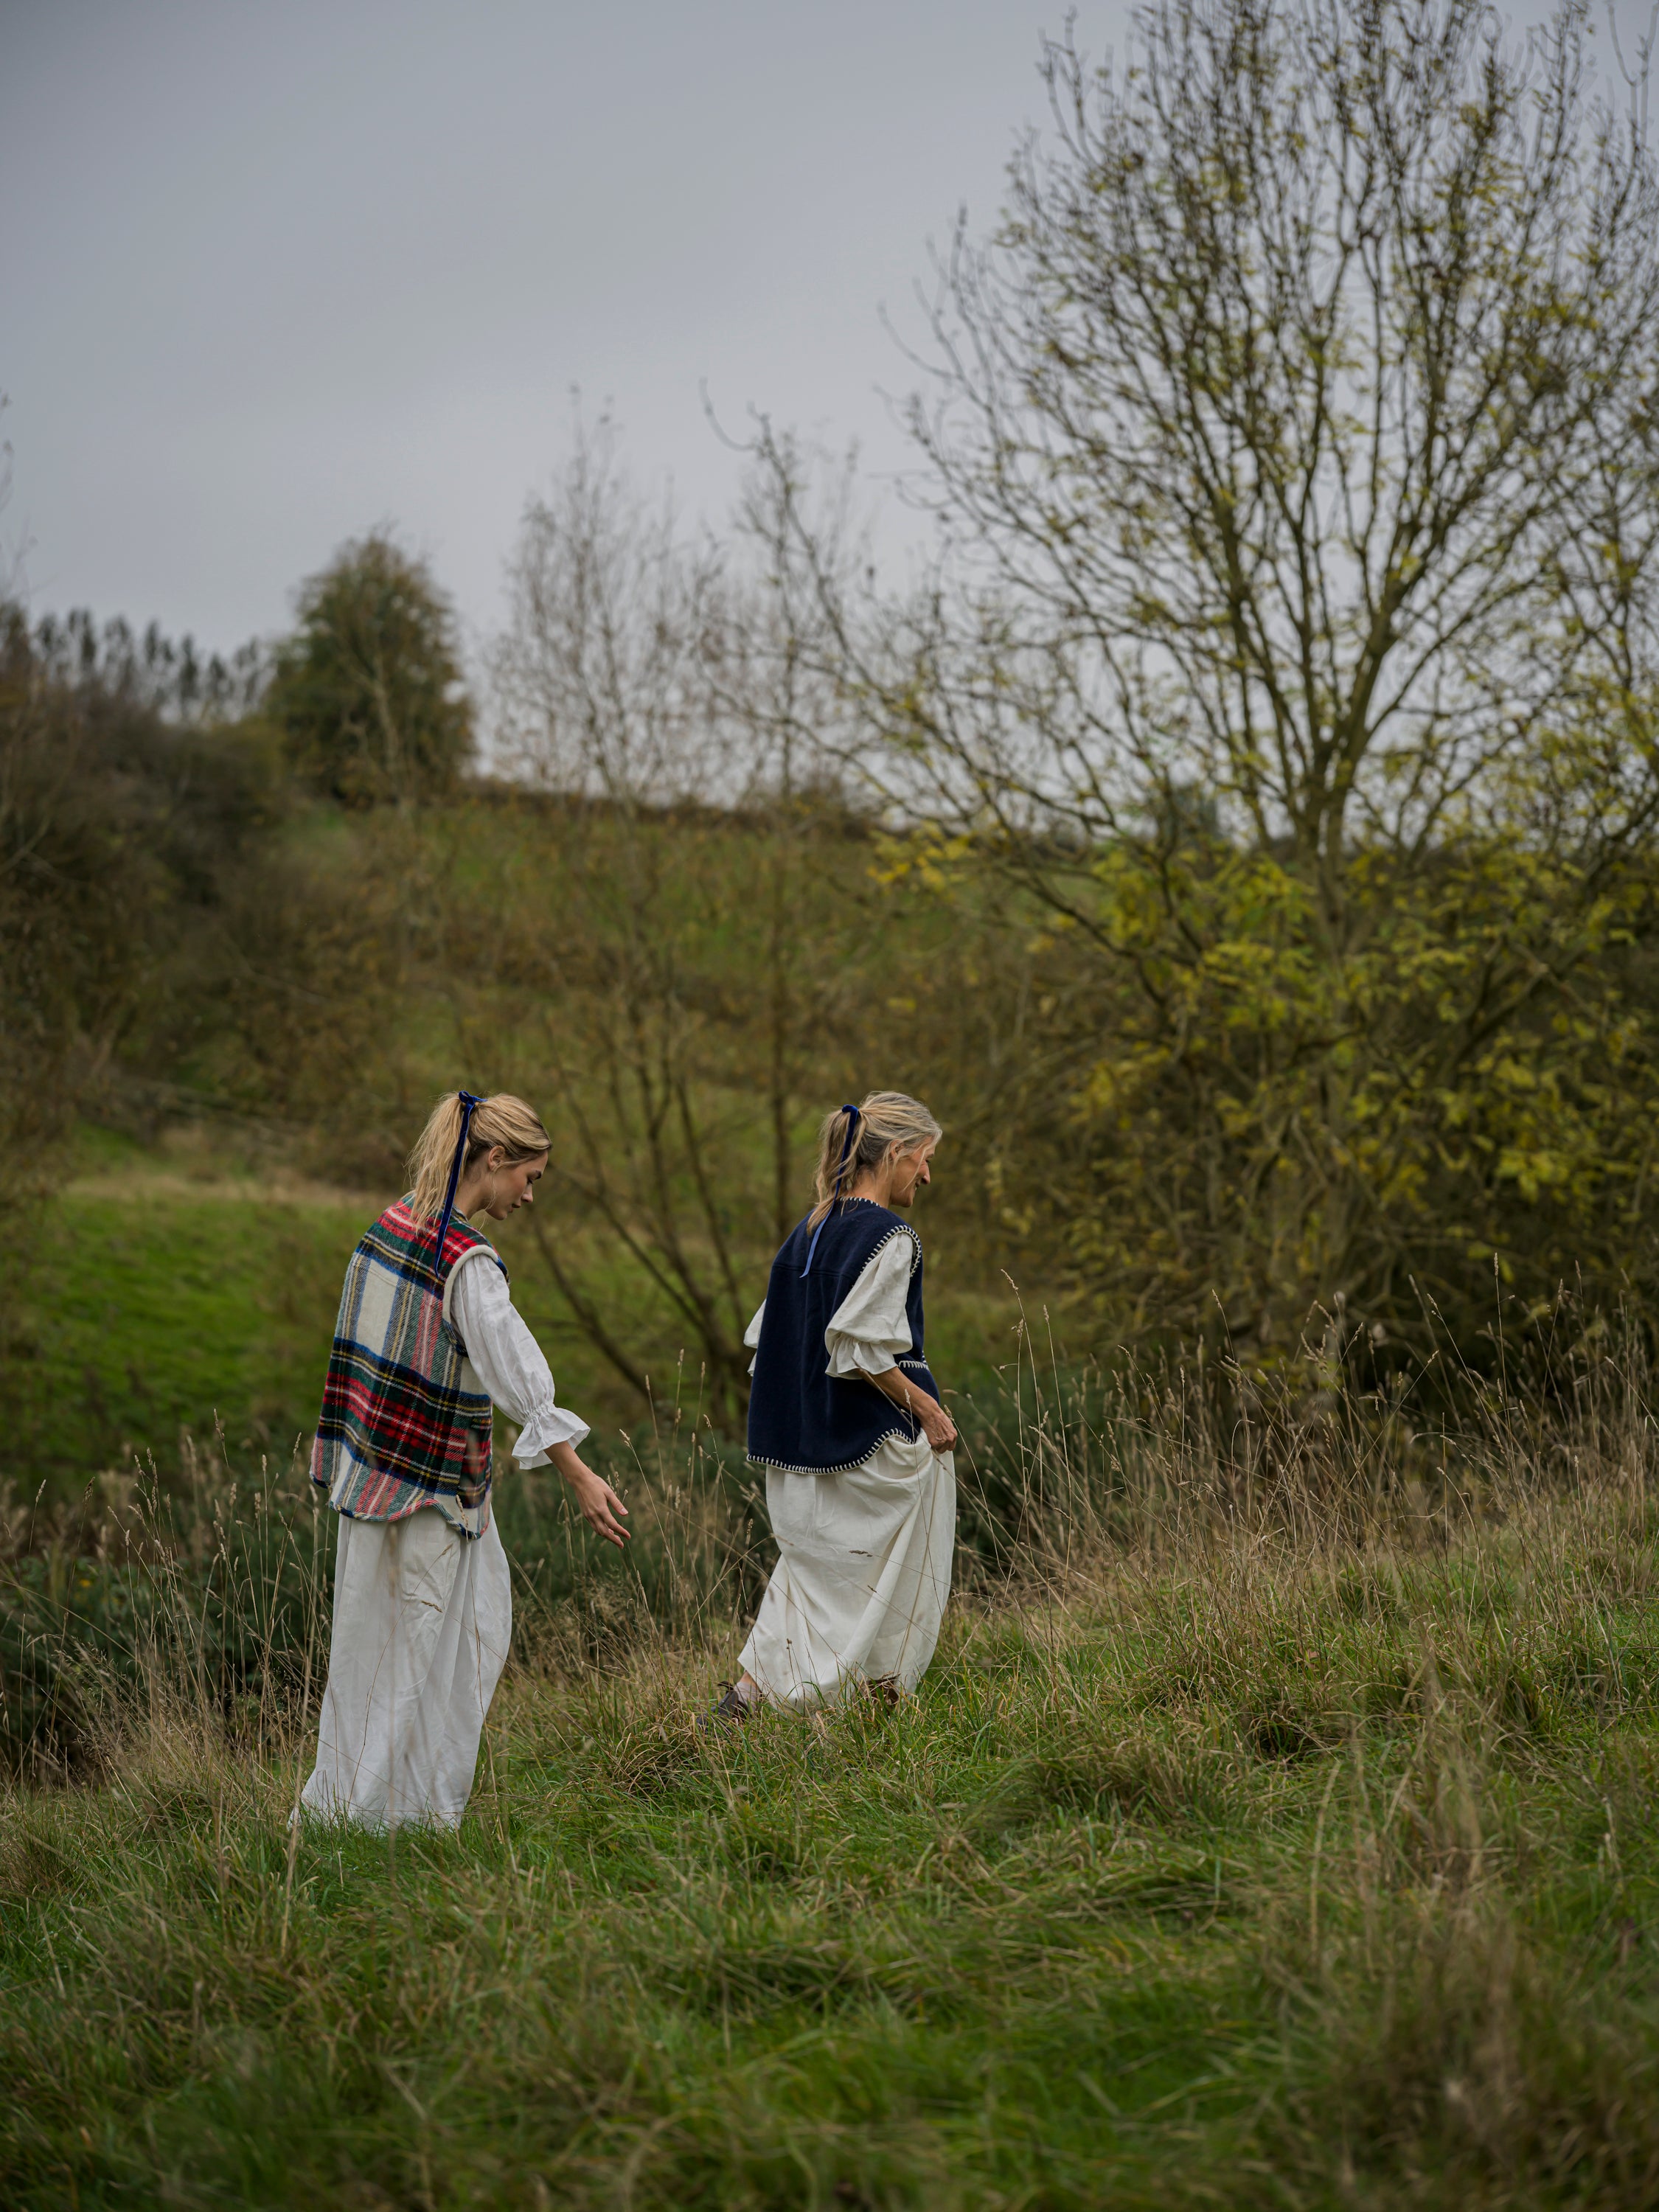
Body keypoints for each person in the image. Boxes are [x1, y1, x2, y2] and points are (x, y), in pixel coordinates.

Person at [300, 1090, 628, 1829]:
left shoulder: (388, 1228)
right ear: (494, 1159)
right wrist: (577, 1473)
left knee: (375, 1654)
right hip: (428, 1493)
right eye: (530, 1177)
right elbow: (517, 1376)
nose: (530, 1195)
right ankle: (392, 1818)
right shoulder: (468, 1265)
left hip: (371, 1480)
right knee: (435, 1658)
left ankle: (361, 1810)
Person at [710, 1091, 958, 1722]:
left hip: (797, 1448)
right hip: (868, 1446)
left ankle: (744, 1700)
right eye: (924, 1159)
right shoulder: (892, 1237)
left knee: (810, 1575)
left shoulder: (810, 1230)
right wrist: (927, 1412)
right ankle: (878, 1706)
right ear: (897, 1153)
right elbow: (861, 1350)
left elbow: (774, 1348)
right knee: (896, 1575)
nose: (927, 1175)